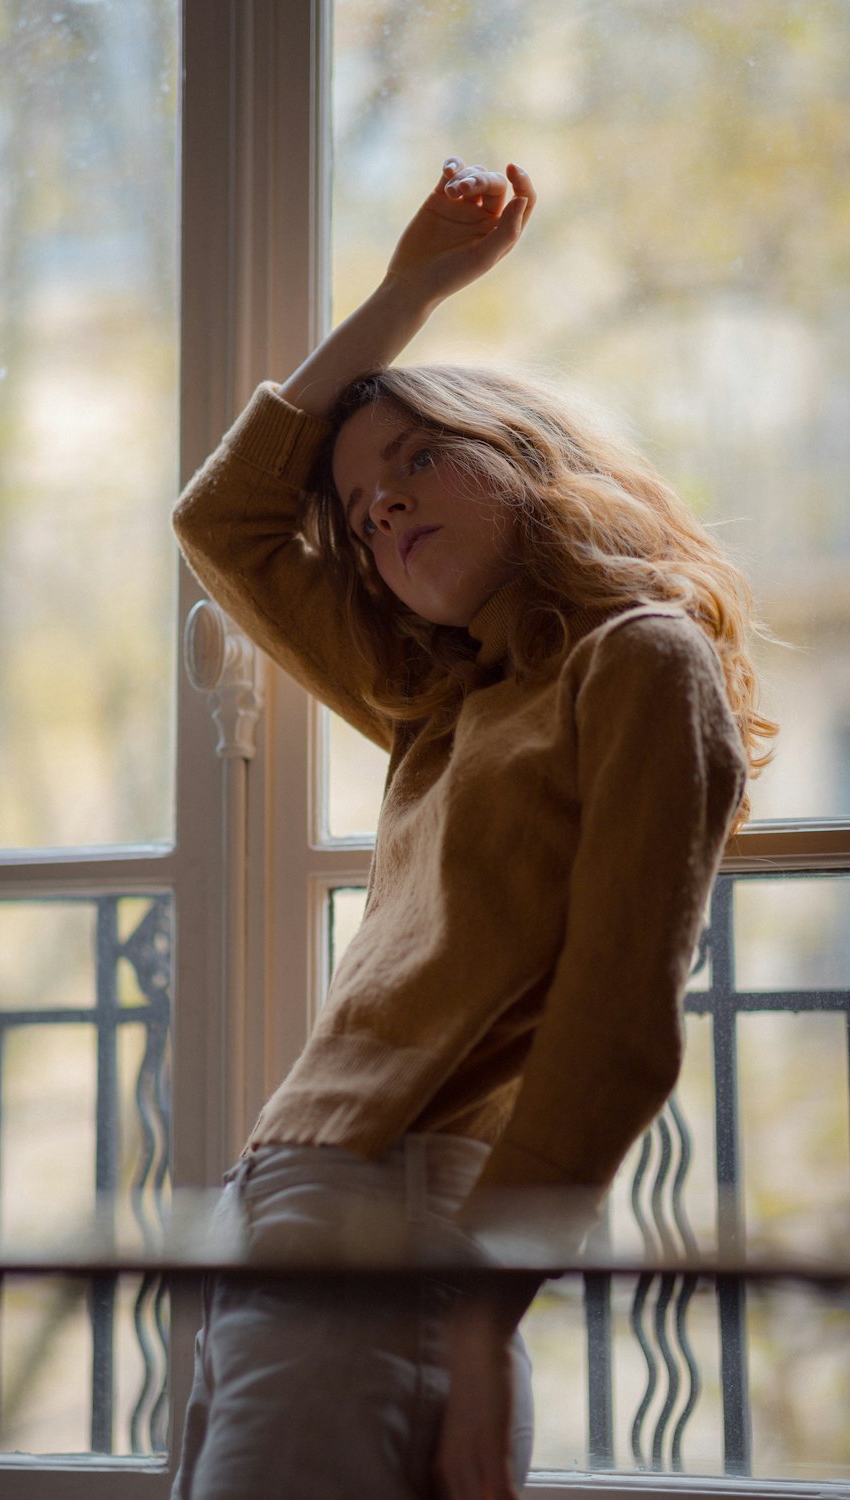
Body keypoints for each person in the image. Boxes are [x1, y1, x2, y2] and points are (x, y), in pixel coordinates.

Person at [169, 158, 775, 1500]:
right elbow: (224, 521)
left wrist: (485, 1317)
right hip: (282, 1208)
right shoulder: (445, 701)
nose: (383, 509)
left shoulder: (638, 662)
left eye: (421, 459)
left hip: (396, 1221)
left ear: (532, 467)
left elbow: (620, 1022)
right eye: (366, 507)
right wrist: (407, 291)